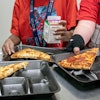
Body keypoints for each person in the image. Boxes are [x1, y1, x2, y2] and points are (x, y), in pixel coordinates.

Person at [2, 0, 78, 55]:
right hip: (31, 59)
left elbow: (76, 33)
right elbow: (17, 35)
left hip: (59, 58)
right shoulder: (20, 2)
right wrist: (10, 41)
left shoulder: (68, 1)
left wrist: (67, 35)